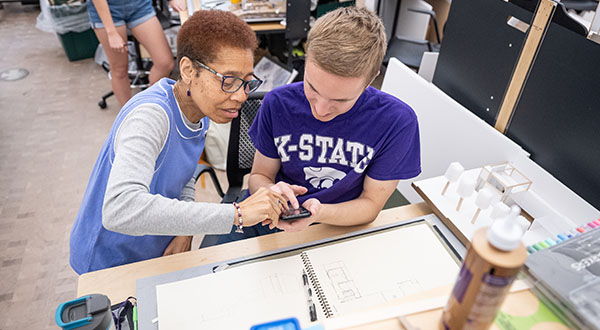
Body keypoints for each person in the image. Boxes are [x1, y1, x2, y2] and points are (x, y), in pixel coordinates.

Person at [70, 10, 287, 275]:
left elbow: (184, 174)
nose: (242, 95)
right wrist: (237, 214)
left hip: (156, 253)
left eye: (246, 82)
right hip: (109, 262)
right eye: (229, 81)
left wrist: (184, 229)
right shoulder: (151, 116)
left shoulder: (200, 109)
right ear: (188, 70)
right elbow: (119, 209)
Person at [216, 6, 421, 243]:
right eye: (312, 87)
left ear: (371, 79)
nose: (321, 110)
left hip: (339, 227)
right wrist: (269, 190)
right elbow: (259, 175)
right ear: (306, 59)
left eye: (341, 100)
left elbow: (371, 205)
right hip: (271, 217)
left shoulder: (397, 122)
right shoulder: (277, 103)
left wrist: (319, 212)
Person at [87, 0, 175, 106]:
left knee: (165, 62)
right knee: (119, 69)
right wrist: (111, 32)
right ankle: (129, 115)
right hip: (109, 11)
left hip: (139, 6)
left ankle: (149, 104)